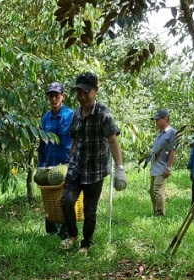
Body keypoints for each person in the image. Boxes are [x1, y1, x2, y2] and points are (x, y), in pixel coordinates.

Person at [59, 72, 127, 255]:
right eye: (79, 92)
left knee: (90, 210)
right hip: (77, 167)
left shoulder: (104, 114)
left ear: (95, 90)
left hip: (95, 170)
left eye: (86, 92)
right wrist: (69, 161)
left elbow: (113, 141)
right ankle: (72, 235)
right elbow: (75, 140)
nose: (82, 97)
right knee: (66, 201)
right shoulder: (76, 115)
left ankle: (85, 244)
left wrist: (120, 168)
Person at [37, 81, 74, 238]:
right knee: (50, 198)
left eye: (56, 95)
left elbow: (77, 140)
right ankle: (51, 232)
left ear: (63, 96)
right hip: (49, 163)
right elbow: (42, 143)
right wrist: (41, 165)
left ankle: (65, 232)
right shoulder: (45, 119)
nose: (53, 99)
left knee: (64, 199)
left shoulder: (71, 116)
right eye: (50, 96)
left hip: (66, 164)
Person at [148, 108, 177, 216]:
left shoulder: (172, 133)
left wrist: (168, 168)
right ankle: (156, 212)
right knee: (152, 191)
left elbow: (173, 151)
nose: (156, 122)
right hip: (155, 166)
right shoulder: (160, 133)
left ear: (165, 119)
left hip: (162, 167)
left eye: (157, 120)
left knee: (157, 191)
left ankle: (160, 214)